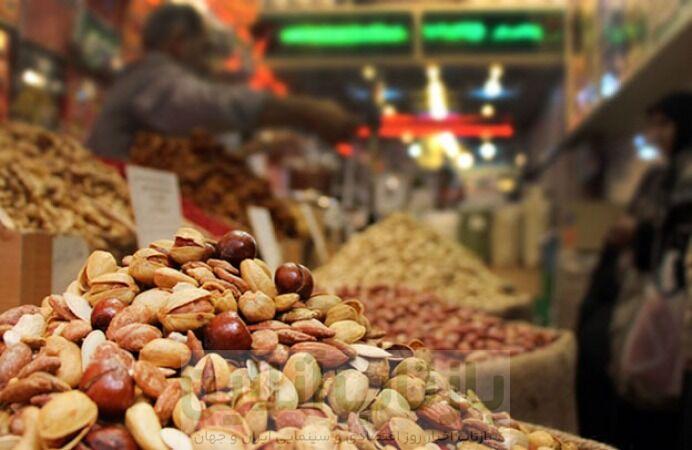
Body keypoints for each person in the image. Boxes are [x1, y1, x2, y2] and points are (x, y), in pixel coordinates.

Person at [87, 4, 358, 160]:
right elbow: (210, 104)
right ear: (179, 41)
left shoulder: (141, 76)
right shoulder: (155, 75)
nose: (207, 62)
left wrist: (260, 146)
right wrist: (306, 111)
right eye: (203, 49)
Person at [577, 91, 692, 450]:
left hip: (672, 300)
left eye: (665, 124)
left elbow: (673, 233)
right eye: (653, 124)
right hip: (642, 293)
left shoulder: (685, 174)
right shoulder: (659, 175)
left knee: (657, 388)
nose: (656, 133)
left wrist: (639, 232)